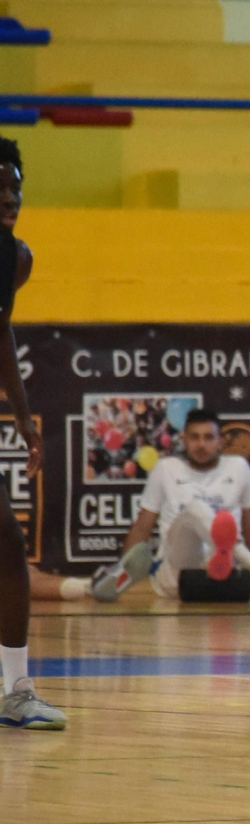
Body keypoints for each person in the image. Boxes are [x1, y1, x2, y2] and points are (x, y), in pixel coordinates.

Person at [89, 408, 250, 604]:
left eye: (208, 437)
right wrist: (120, 574)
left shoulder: (238, 467)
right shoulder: (166, 468)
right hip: (177, 574)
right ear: (183, 440)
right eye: (194, 437)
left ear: (221, 441)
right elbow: (142, 527)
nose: (201, 444)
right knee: (195, 508)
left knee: (212, 518)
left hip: (226, 575)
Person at [0, 137, 53, 730]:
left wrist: (20, 414)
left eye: (15, 186)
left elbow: (1, 332)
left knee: (7, 541)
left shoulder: (15, 258)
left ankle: (16, 690)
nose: (9, 197)